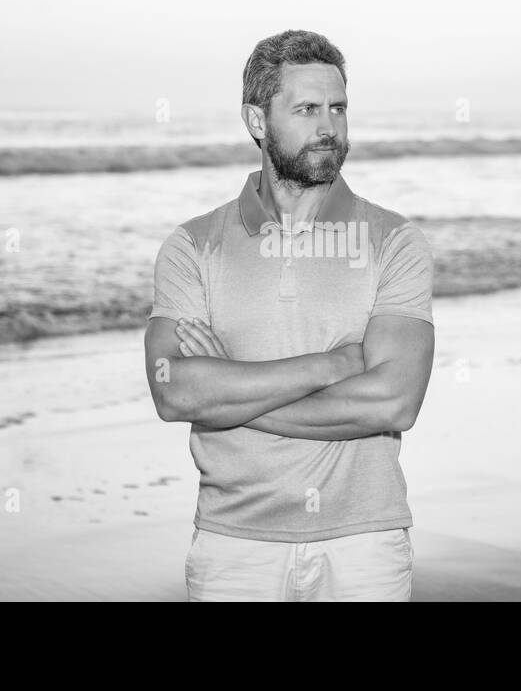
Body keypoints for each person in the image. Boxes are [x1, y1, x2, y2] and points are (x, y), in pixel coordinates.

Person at [143, 29, 435, 601]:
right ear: (257, 120)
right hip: (234, 545)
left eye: (338, 108)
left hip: (365, 541)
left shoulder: (394, 240)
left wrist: (233, 394)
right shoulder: (193, 246)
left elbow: (395, 401)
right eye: (306, 109)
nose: (329, 127)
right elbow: (173, 392)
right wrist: (332, 365)